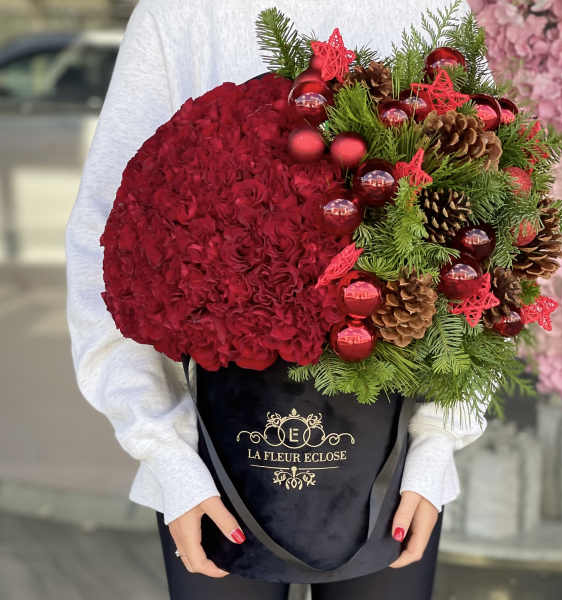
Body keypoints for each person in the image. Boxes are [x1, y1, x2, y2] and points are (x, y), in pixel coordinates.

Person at [65, 0, 490, 598]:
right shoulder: (177, 15)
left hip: (394, 450)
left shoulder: (431, 10)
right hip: (210, 453)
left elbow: (490, 232)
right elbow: (109, 234)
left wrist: (438, 441)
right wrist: (166, 453)